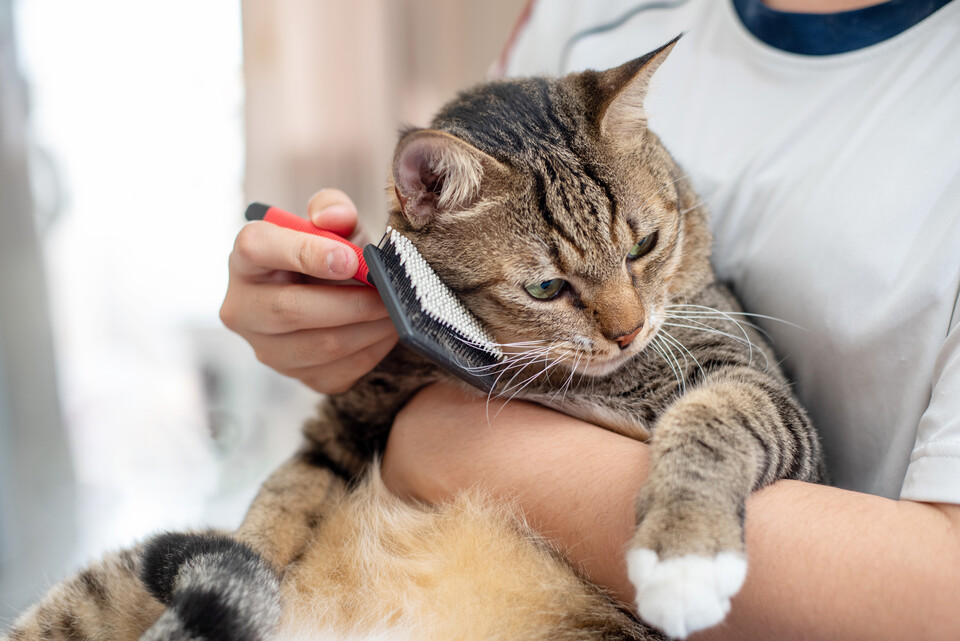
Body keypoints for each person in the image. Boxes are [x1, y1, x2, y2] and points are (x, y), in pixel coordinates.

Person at [219, 1, 960, 638]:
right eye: (553, 285)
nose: (626, 322)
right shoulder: (582, 17)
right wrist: (332, 320)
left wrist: (435, 437)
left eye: (644, 247)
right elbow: (466, 225)